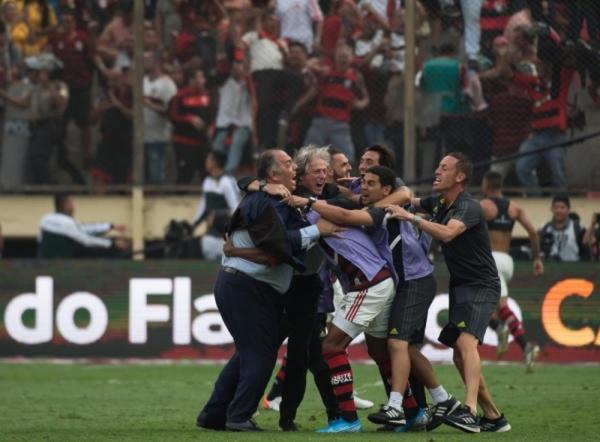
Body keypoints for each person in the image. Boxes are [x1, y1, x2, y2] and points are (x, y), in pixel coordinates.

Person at [196, 149, 338, 432]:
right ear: (275, 176)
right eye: (291, 166)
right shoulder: (269, 200)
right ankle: (238, 416)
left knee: (252, 353)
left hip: (271, 288)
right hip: (250, 286)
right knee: (260, 353)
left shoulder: (312, 197)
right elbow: (280, 244)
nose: (321, 175)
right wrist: (318, 230)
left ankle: (215, 414)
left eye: (327, 170)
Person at [386, 152, 509, 433]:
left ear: (461, 176)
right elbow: (410, 200)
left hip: (482, 284)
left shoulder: (468, 206)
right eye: (438, 166)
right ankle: (494, 416)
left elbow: (448, 233)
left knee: (467, 344)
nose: (436, 171)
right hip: (460, 286)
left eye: (444, 168)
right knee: (458, 354)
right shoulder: (441, 202)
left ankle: (469, 410)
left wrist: (410, 218)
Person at [292, 165, 412, 433]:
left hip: (369, 284)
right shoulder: (334, 210)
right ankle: (411, 412)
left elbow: (339, 213)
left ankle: (348, 419)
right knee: (380, 352)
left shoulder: (318, 213)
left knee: (331, 347)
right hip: (380, 281)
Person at [480, 171, 543, 371]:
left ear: (487, 184)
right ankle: (526, 348)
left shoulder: (484, 206)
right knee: (500, 307)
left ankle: (500, 329)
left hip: (490, 259)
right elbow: (533, 232)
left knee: (478, 306)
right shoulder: (514, 208)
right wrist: (537, 258)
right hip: (507, 261)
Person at [38, 193, 129, 258]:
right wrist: (112, 244)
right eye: (71, 203)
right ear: (65, 205)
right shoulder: (67, 222)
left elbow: (83, 229)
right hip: (60, 267)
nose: (74, 207)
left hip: (42, 265)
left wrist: (110, 226)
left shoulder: (45, 219)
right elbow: (86, 240)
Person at [168, 68, 214, 184]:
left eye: (203, 77)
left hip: (202, 143)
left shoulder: (207, 96)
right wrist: (189, 118)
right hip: (184, 143)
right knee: (185, 174)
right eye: (200, 77)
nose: (203, 80)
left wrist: (211, 128)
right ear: (191, 80)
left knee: (207, 174)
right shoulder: (180, 96)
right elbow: (172, 116)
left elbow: (212, 115)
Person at [193, 150, 241, 261]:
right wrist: (193, 225)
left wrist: (217, 216)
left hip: (226, 236)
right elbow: (203, 208)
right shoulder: (207, 182)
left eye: (208, 159)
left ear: (215, 162)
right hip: (211, 233)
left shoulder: (227, 181)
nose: (206, 162)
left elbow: (236, 209)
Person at [143, 50, 177, 184]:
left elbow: (171, 111)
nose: (144, 63)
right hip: (143, 135)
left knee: (157, 174)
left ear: (156, 62)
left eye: (147, 60)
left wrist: (150, 105)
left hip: (159, 136)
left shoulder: (167, 84)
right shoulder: (143, 81)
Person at [539, 194, 587, 262]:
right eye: (556, 207)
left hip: (573, 270)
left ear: (568, 209)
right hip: (549, 270)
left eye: (562, 207)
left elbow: (587, 247)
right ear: (551, 209)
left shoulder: (578, 227)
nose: (559, 211)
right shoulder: (543, 228)